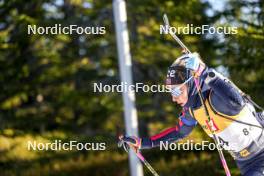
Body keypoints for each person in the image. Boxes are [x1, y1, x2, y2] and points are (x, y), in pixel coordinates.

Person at [119, 52, 264, 176]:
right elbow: (178, 133)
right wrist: (143, 143)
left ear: (191, 83)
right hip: (245, 163)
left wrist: (204, 71)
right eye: (170, 92)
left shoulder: (215, 97)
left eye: (176, 91)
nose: (173, 98)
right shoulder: (192, 110)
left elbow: (236, 101)